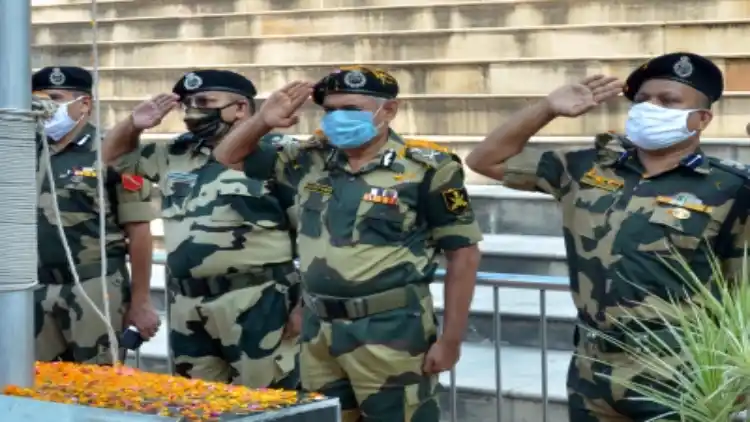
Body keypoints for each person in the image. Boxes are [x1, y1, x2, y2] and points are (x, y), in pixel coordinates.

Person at [465, 52, 750, 421]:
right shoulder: (585, 168)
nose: (651, 107)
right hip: (593, 370)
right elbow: (484, 160)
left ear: (701, 119)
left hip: (684, 373)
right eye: (644, 100)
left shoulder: (730, 188)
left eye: (668, 101)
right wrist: (547, 109)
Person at [211, 66, 483, 422]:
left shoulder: (427, 169)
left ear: (388, 110)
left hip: (391, 331)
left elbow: (463, 253)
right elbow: (226, 156)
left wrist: (451, 340)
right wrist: (263, 120)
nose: (338, 118)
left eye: (351, 109)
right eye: (330, 110)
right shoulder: (310, 159)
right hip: (319, 331)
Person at [100, 69, 301, 389]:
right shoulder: (177, 152)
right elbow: (113, 158)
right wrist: (133, 125)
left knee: (264, 404)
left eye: (205, 101)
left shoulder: (276, 153)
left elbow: (311, 233)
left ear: (241, 109)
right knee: (196, 402)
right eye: (188, 103)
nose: (193, 110)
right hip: (187, 304)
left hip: (258, 301)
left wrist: (303, 306)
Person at [33, 66, 160, 364]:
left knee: (97, 386)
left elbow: (139, 231)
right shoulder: (26, 151)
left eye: (54, 98)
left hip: (94, 288)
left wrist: (141, 301)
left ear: (84, 104)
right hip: (36, 288)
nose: (43, 107)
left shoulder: (114, 153)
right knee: (36, 389)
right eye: (37, 99)